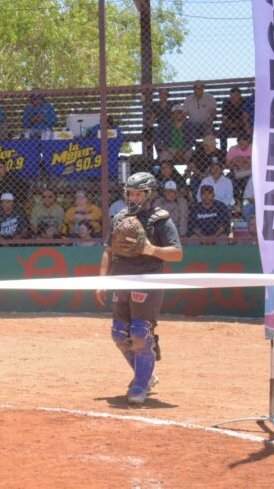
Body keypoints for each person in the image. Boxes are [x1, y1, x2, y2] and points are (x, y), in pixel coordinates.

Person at [95, 173, 183, 405]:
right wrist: (102, 281)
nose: (134, 198)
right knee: (119, 334)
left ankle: (140, 385)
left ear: (149, 194)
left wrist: (150, 249)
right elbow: (108, 251)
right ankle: (146, 373)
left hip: (147, 281)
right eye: (131, 194)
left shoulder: (160, 220)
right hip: (120, 281)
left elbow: (177, 253)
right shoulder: (120, 218)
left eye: (139, 194)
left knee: (140, 334)